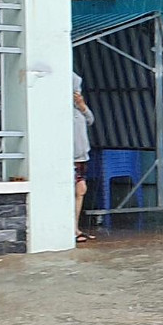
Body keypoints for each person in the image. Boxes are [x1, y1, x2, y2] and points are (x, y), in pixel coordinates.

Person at [73, 74, 96, 243]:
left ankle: (75, 227)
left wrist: (82, 106)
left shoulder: (78, 108)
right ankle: (71, 228)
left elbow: (90, 120)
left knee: (80, 190)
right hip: (68, 157)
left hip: (81, 156)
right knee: (74, 190)